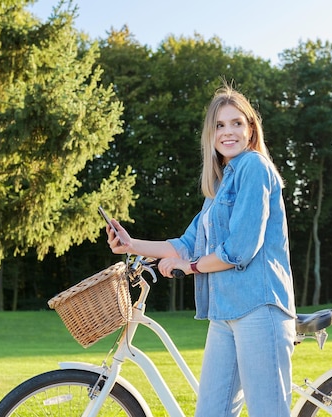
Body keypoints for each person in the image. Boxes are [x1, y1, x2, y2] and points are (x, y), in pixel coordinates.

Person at [105, 82, 296, 417]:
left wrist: (189, 267)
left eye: (237, 123)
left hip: (258, 308)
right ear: (211, 134)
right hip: (225, 314)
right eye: (220, 125)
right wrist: (131, 244)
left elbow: (239, 249)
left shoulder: (254, 167)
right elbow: (185, 243)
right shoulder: (219, 187)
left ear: (251, 129)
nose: (228, 132)